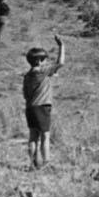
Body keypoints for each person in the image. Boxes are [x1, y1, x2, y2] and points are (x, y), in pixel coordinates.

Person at [22, 35, 66, 170]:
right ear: (40, 61)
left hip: (30, 108)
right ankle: (46, 163)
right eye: (45, 60)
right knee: (45, 136)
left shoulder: (27, 76)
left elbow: (25, 94)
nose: (47, 62)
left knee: (33, 136)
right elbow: (61, 63)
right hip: (42, 107)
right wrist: (61, 46)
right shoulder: (43, 71)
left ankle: (33, 163)